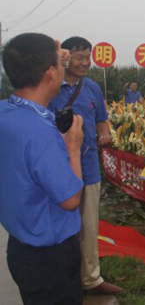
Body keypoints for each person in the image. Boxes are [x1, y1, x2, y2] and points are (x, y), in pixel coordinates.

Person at [0, 33, 86, 304]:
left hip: (20, 247)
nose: (65, 67)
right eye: (61, 64)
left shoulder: (6, 112)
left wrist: (54, 52)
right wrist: (73, 148)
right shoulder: (41, 133)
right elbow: (70, 200)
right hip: (50, 260)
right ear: (50, 73)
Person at [48, 37, 122, 296]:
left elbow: (101, 120)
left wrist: (105, 135)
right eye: (79, 57)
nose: (85, 62)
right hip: (56, 167)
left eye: (88, 57)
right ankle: (59, 277)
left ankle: (91, 279)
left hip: (88, 166)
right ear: (65, 57)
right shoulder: (50, 85)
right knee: (58, 223)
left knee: (89, 225)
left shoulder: (92, 88)